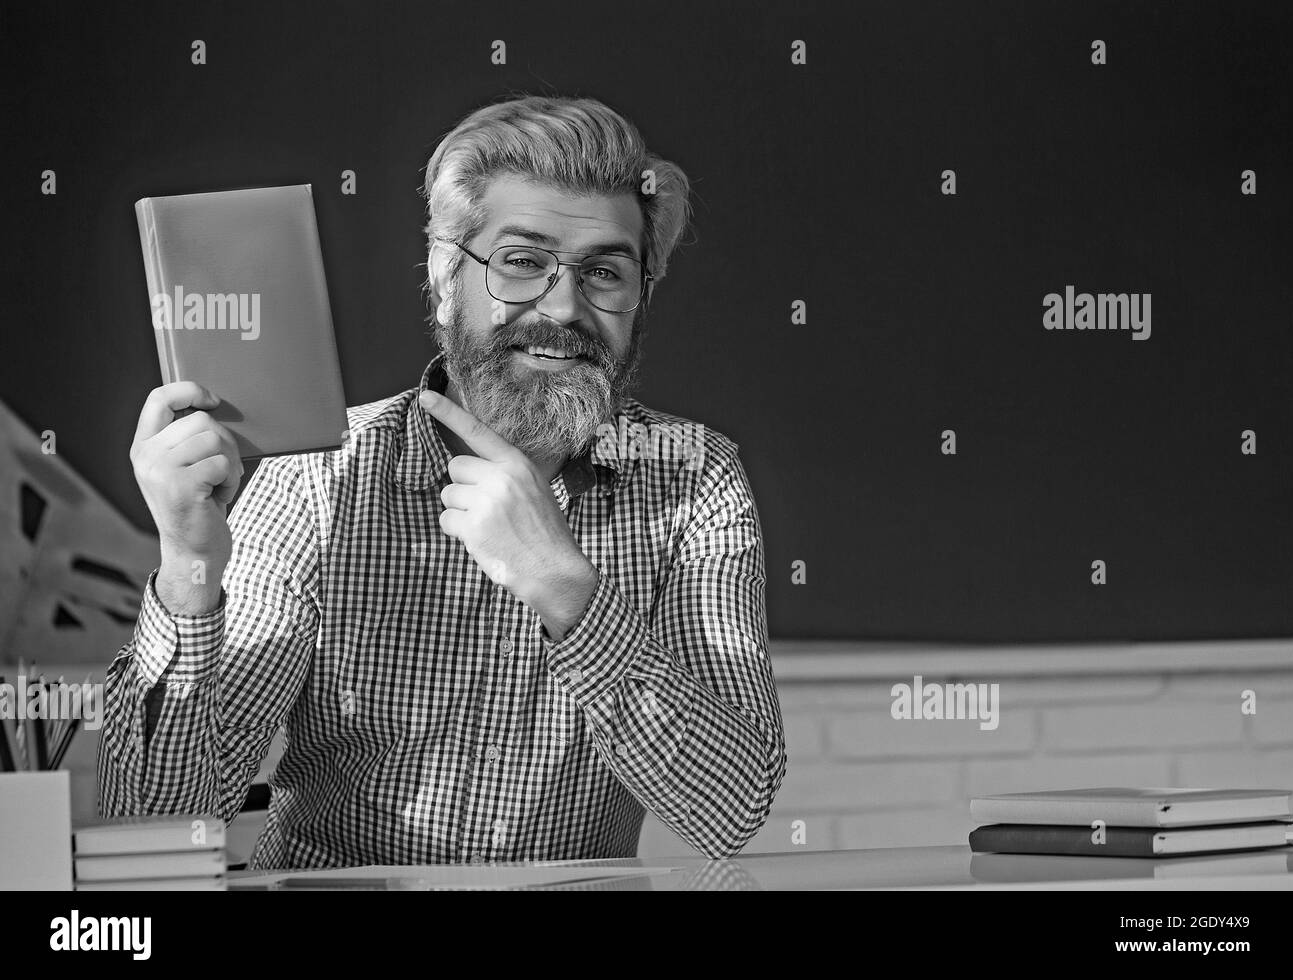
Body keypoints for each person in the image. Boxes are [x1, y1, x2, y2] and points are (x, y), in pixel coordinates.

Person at [99, 94, 786, 867]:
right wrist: (187, 575)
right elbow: (156, 824)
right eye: (522, 262)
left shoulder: (695, 477)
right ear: (445, 274)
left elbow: (732, 814)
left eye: (604, 272)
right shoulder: (322, 476)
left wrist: (565, 587)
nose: (563, 306)